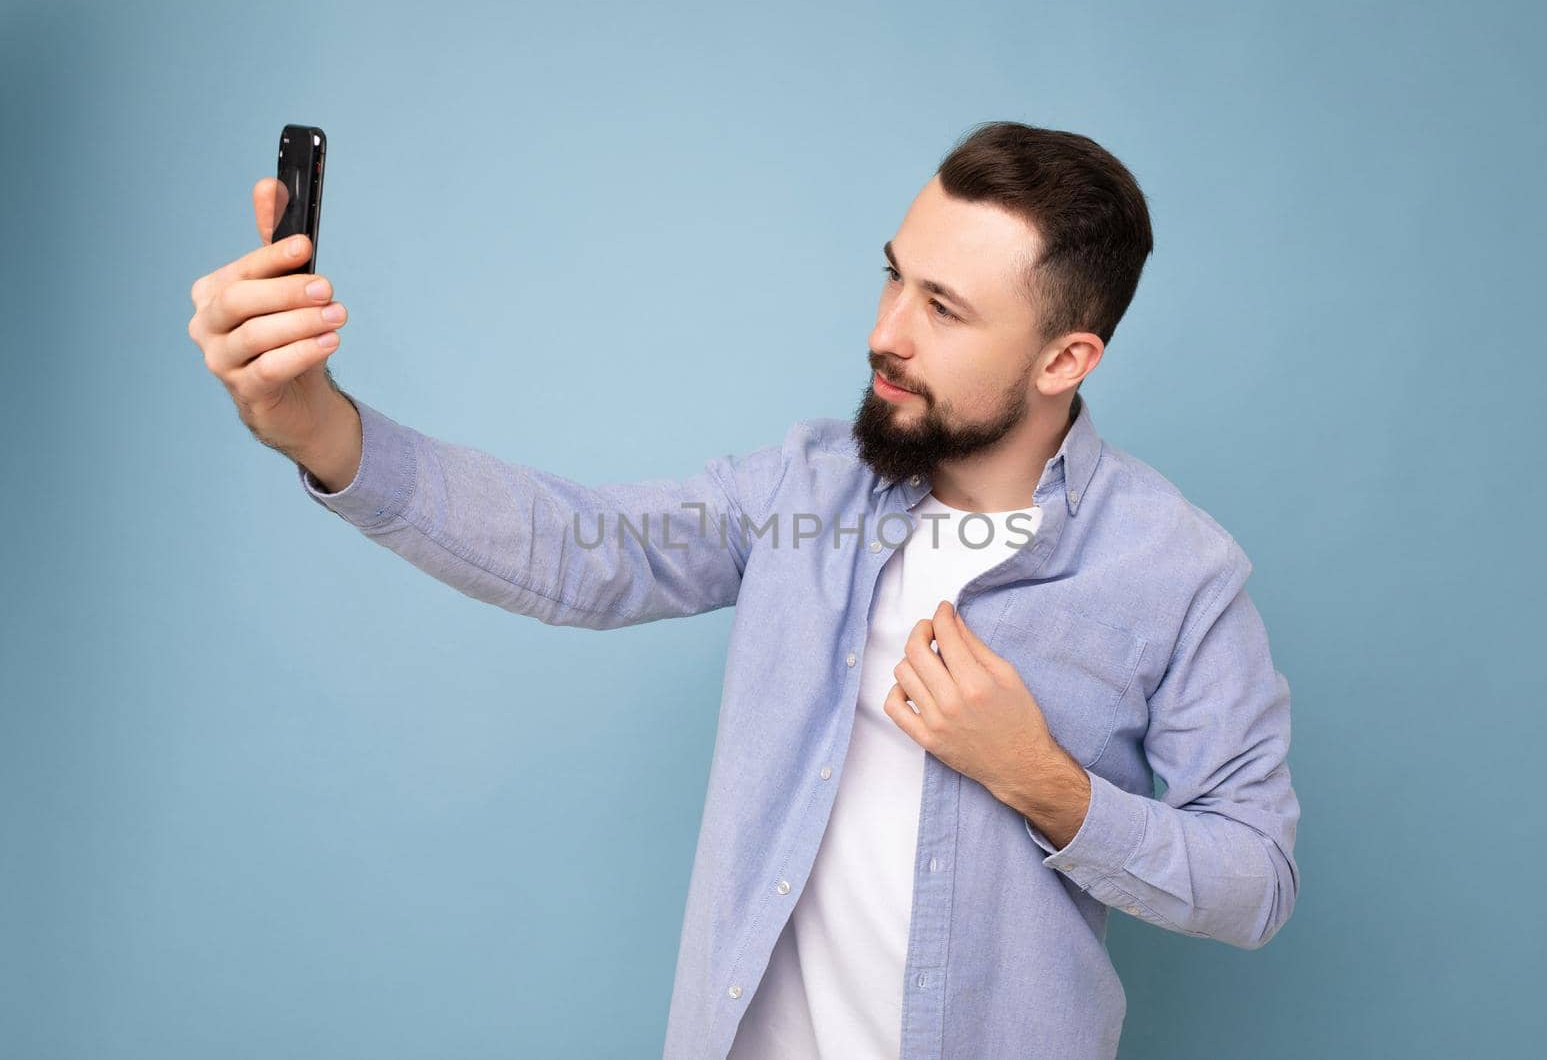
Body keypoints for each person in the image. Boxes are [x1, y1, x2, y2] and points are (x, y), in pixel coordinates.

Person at [187, 121, 1300, 1059]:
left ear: (1065, 360)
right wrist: (318, 427)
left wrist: (1046, 782)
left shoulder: (1175, 571)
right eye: (893, 274)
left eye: (944, 309)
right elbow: (580, 548)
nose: (885, 332)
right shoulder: (806, 488)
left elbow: (1256, 878)